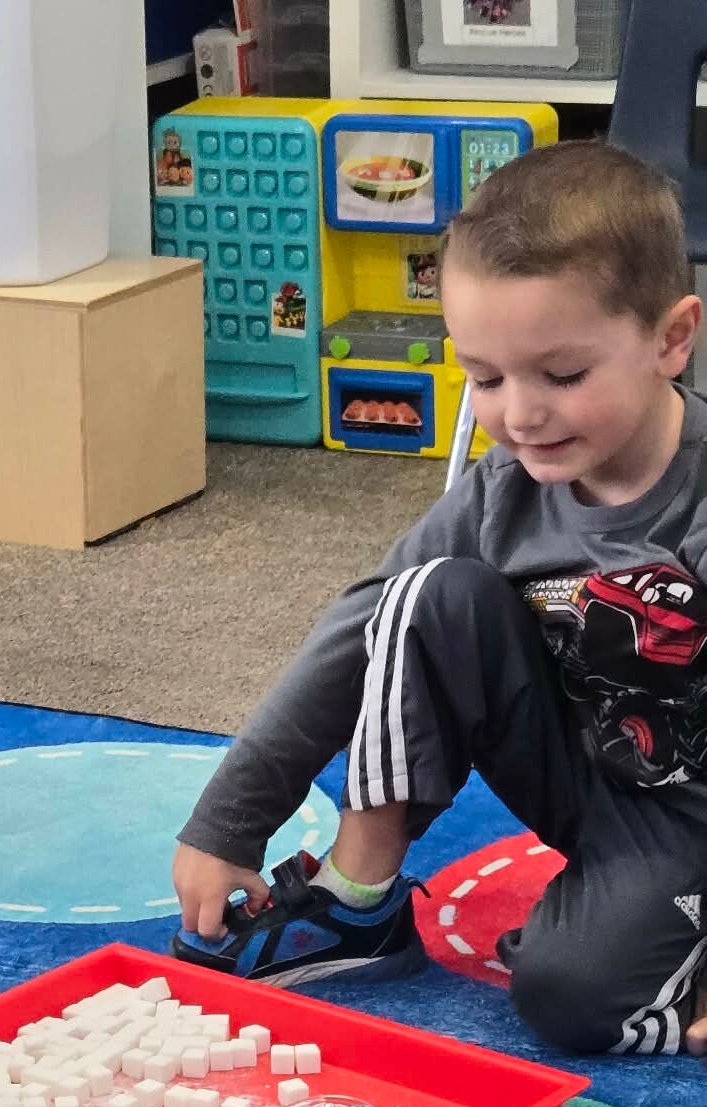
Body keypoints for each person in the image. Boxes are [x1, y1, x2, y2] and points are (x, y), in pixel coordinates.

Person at [171, 138, 707, 1060]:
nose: (520, 415)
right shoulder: (504, 492)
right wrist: (231, 819)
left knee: (571, 997)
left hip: (690, 822)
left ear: (671, 338)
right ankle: (358, 901)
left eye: (562, 376)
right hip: (585, 784)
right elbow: (355, 634)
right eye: (486, 378)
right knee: (423, 595)